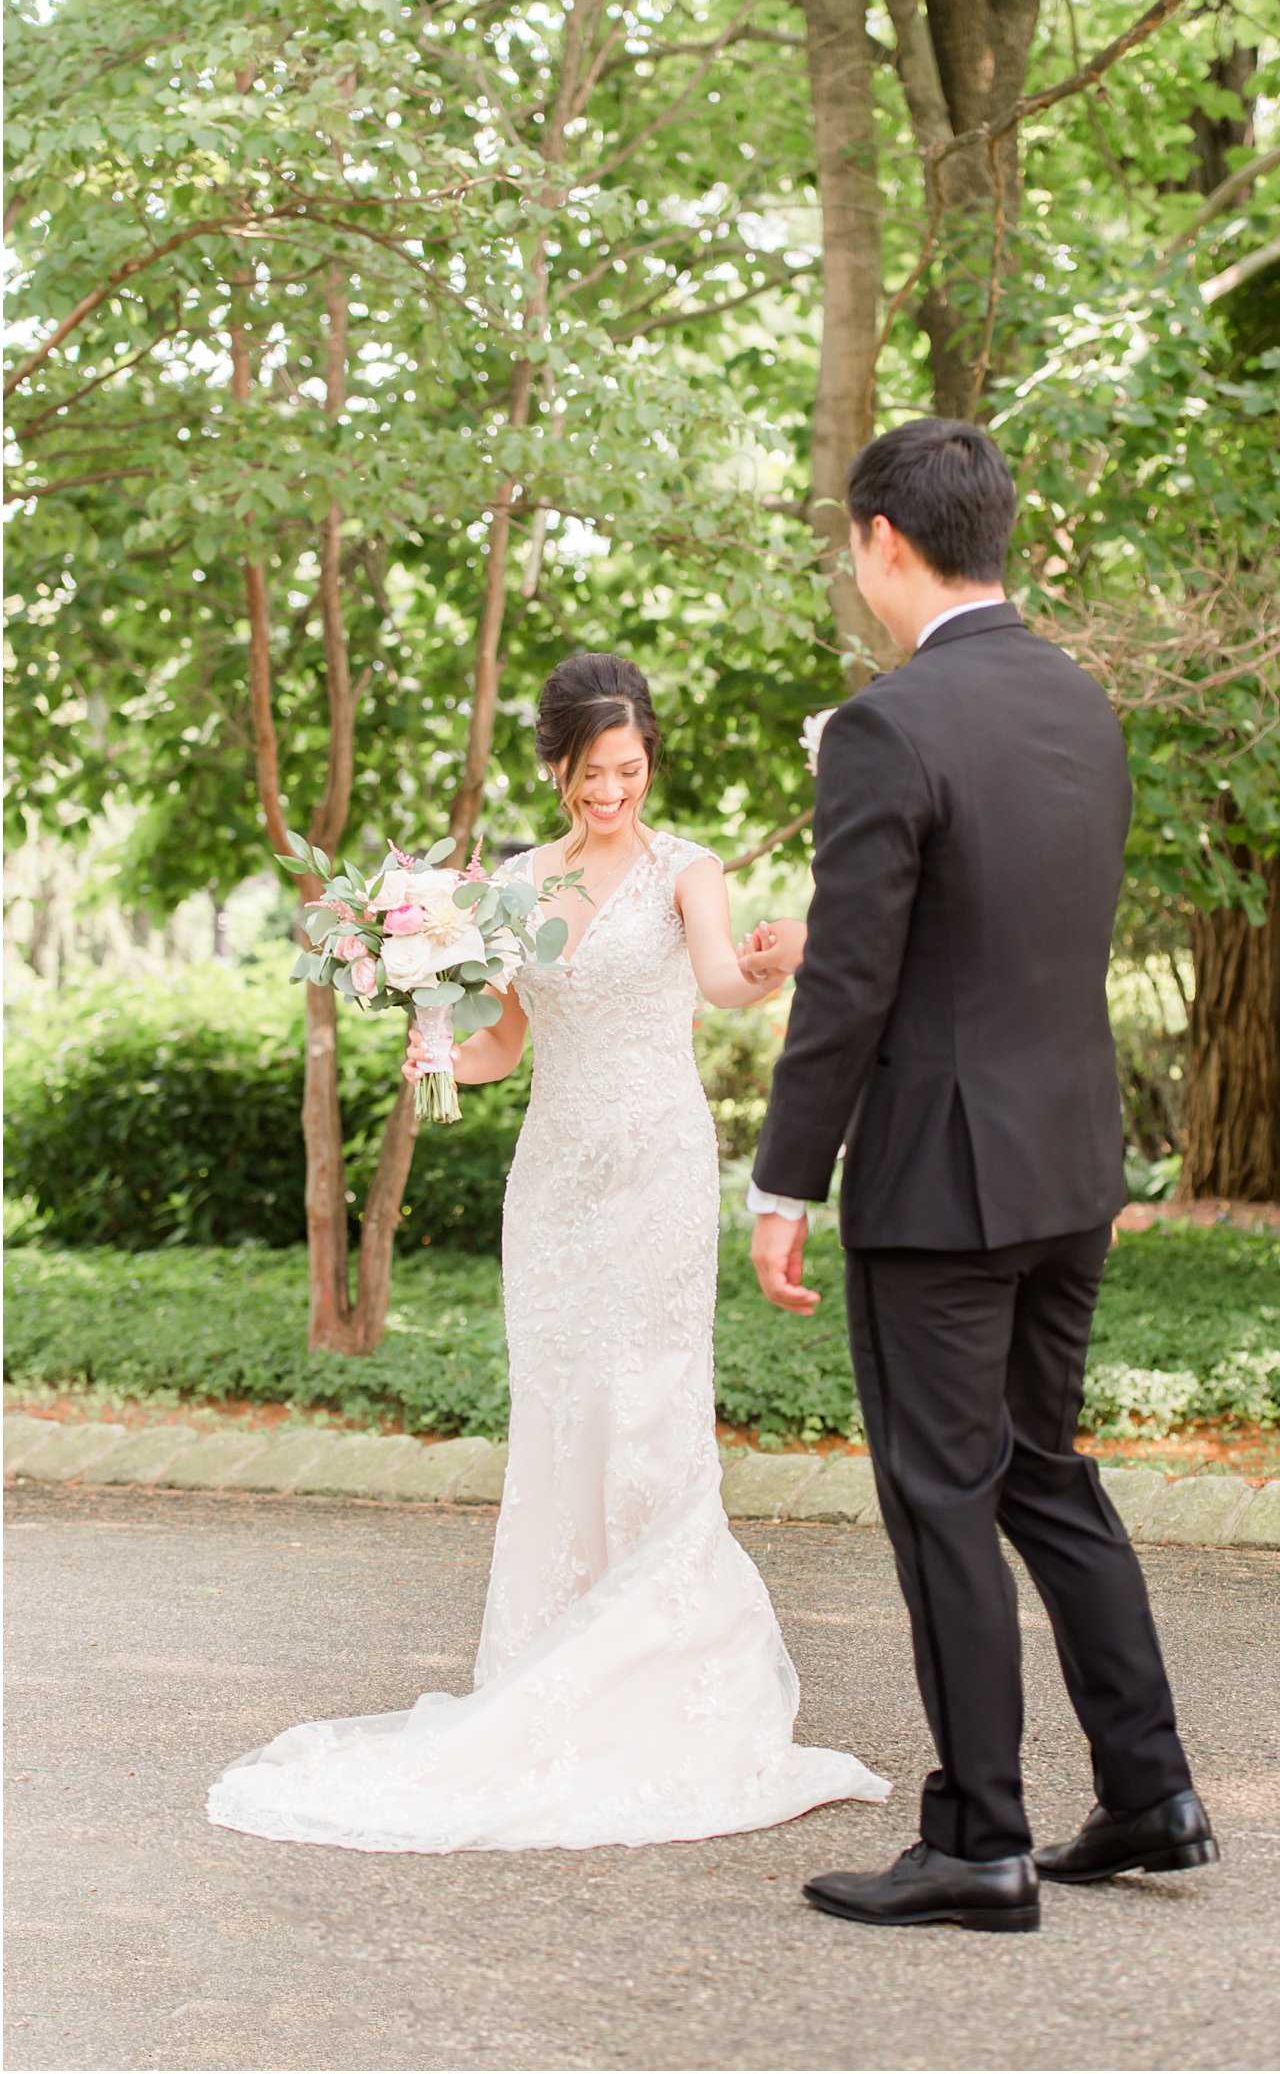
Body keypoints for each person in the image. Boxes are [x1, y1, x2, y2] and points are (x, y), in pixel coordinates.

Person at [207, 652, 888, 1853]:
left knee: (651, 1405)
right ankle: (553, 1661)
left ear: (645, 765)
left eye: (628, 771)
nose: (610, 791)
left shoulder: (690, 869)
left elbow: (724, 986)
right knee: (566, 1407)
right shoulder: (515, 886)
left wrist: (780, 960)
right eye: (590, 772)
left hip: (660, 1167)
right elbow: (501, 1049)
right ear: (556, 765)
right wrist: (422, 1012)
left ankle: (667, 1666)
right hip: (557, 1178)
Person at [743, 419, 1215, 1933]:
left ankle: (979, 1839)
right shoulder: (1080, 703)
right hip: (1072, 1159)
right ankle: (1150, 1792)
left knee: (942, 1495)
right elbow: (1001, 928)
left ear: (886, 539)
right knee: (1040, 1472)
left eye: (850, 544)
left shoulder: (889, 724)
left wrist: (781, 1178)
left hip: (941, 1185)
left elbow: (854, 993)